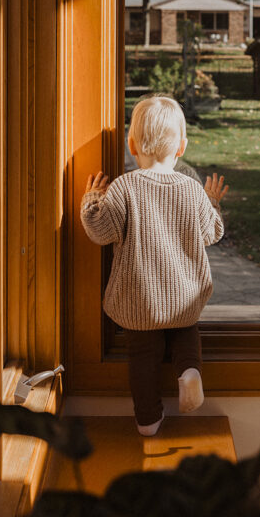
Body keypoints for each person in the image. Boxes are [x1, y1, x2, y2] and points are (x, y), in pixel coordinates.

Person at [80, 94, 228, 436]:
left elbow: (100, 232)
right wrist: (213, 203)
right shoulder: (192, 190)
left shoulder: (123, 188)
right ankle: (190, 372)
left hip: (139, 301)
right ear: (181, 147)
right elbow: (212, 232)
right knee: (186, 336)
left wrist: (91, 200)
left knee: (142, 359)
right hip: (185, 301)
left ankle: (148, 419)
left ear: (132, 145)